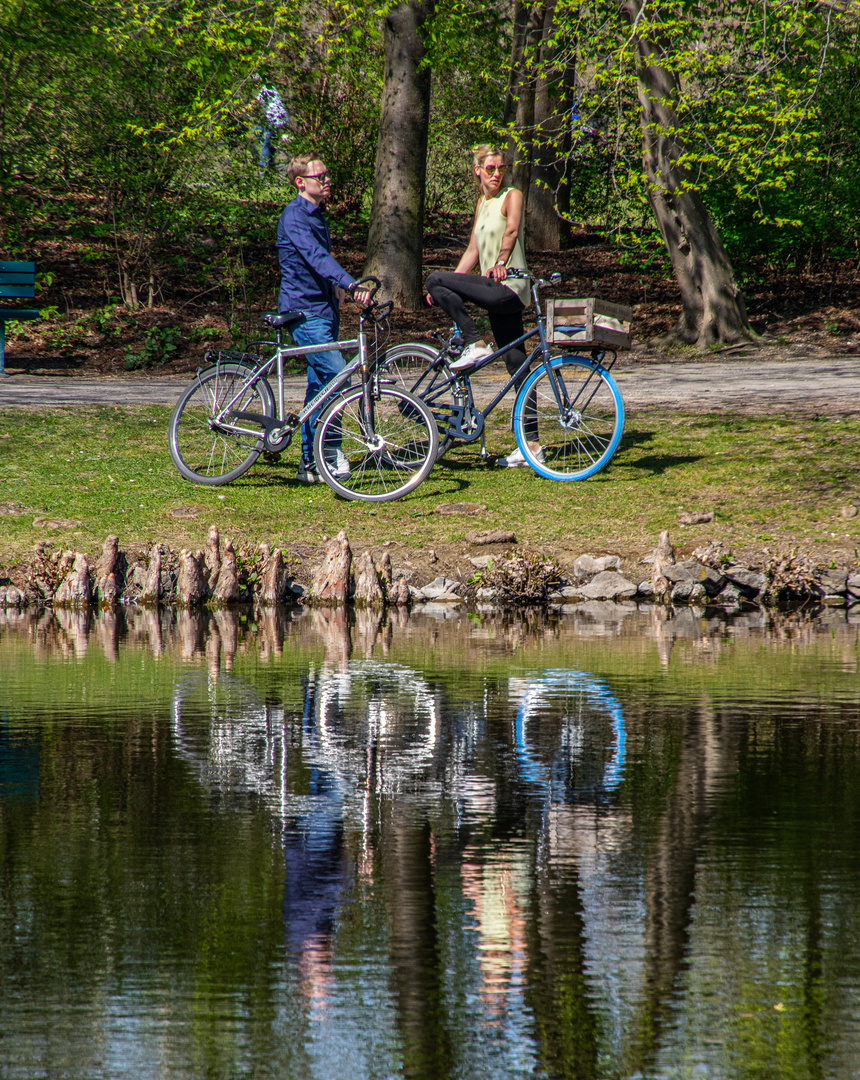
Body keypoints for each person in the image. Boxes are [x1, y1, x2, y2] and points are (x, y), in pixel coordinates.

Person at [424, 145, 540, 468]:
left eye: (500, 168)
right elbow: (473, 250)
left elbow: (512, 230)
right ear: (477, 170)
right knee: (519, 369)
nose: (496, 174)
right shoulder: (482, 203)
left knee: (433, 278)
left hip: (507, 286)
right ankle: (532, 446)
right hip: (498, 294)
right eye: (490, 169)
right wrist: (449, 284)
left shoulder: (511, 195)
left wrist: (501, 261)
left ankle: (474, 342)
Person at [276, 154, 371, 483]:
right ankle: (327, 453)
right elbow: (316, 257)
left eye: (328, 174)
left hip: (322, 310)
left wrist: (336, 285)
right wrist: (348, 283)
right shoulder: (295, 216)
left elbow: (321, 259)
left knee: (320, 384)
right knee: (337, 375)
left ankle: (311, 462)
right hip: (303, 311)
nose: (327, 180)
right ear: (301, 182)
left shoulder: (317, 215)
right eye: (320, 176)